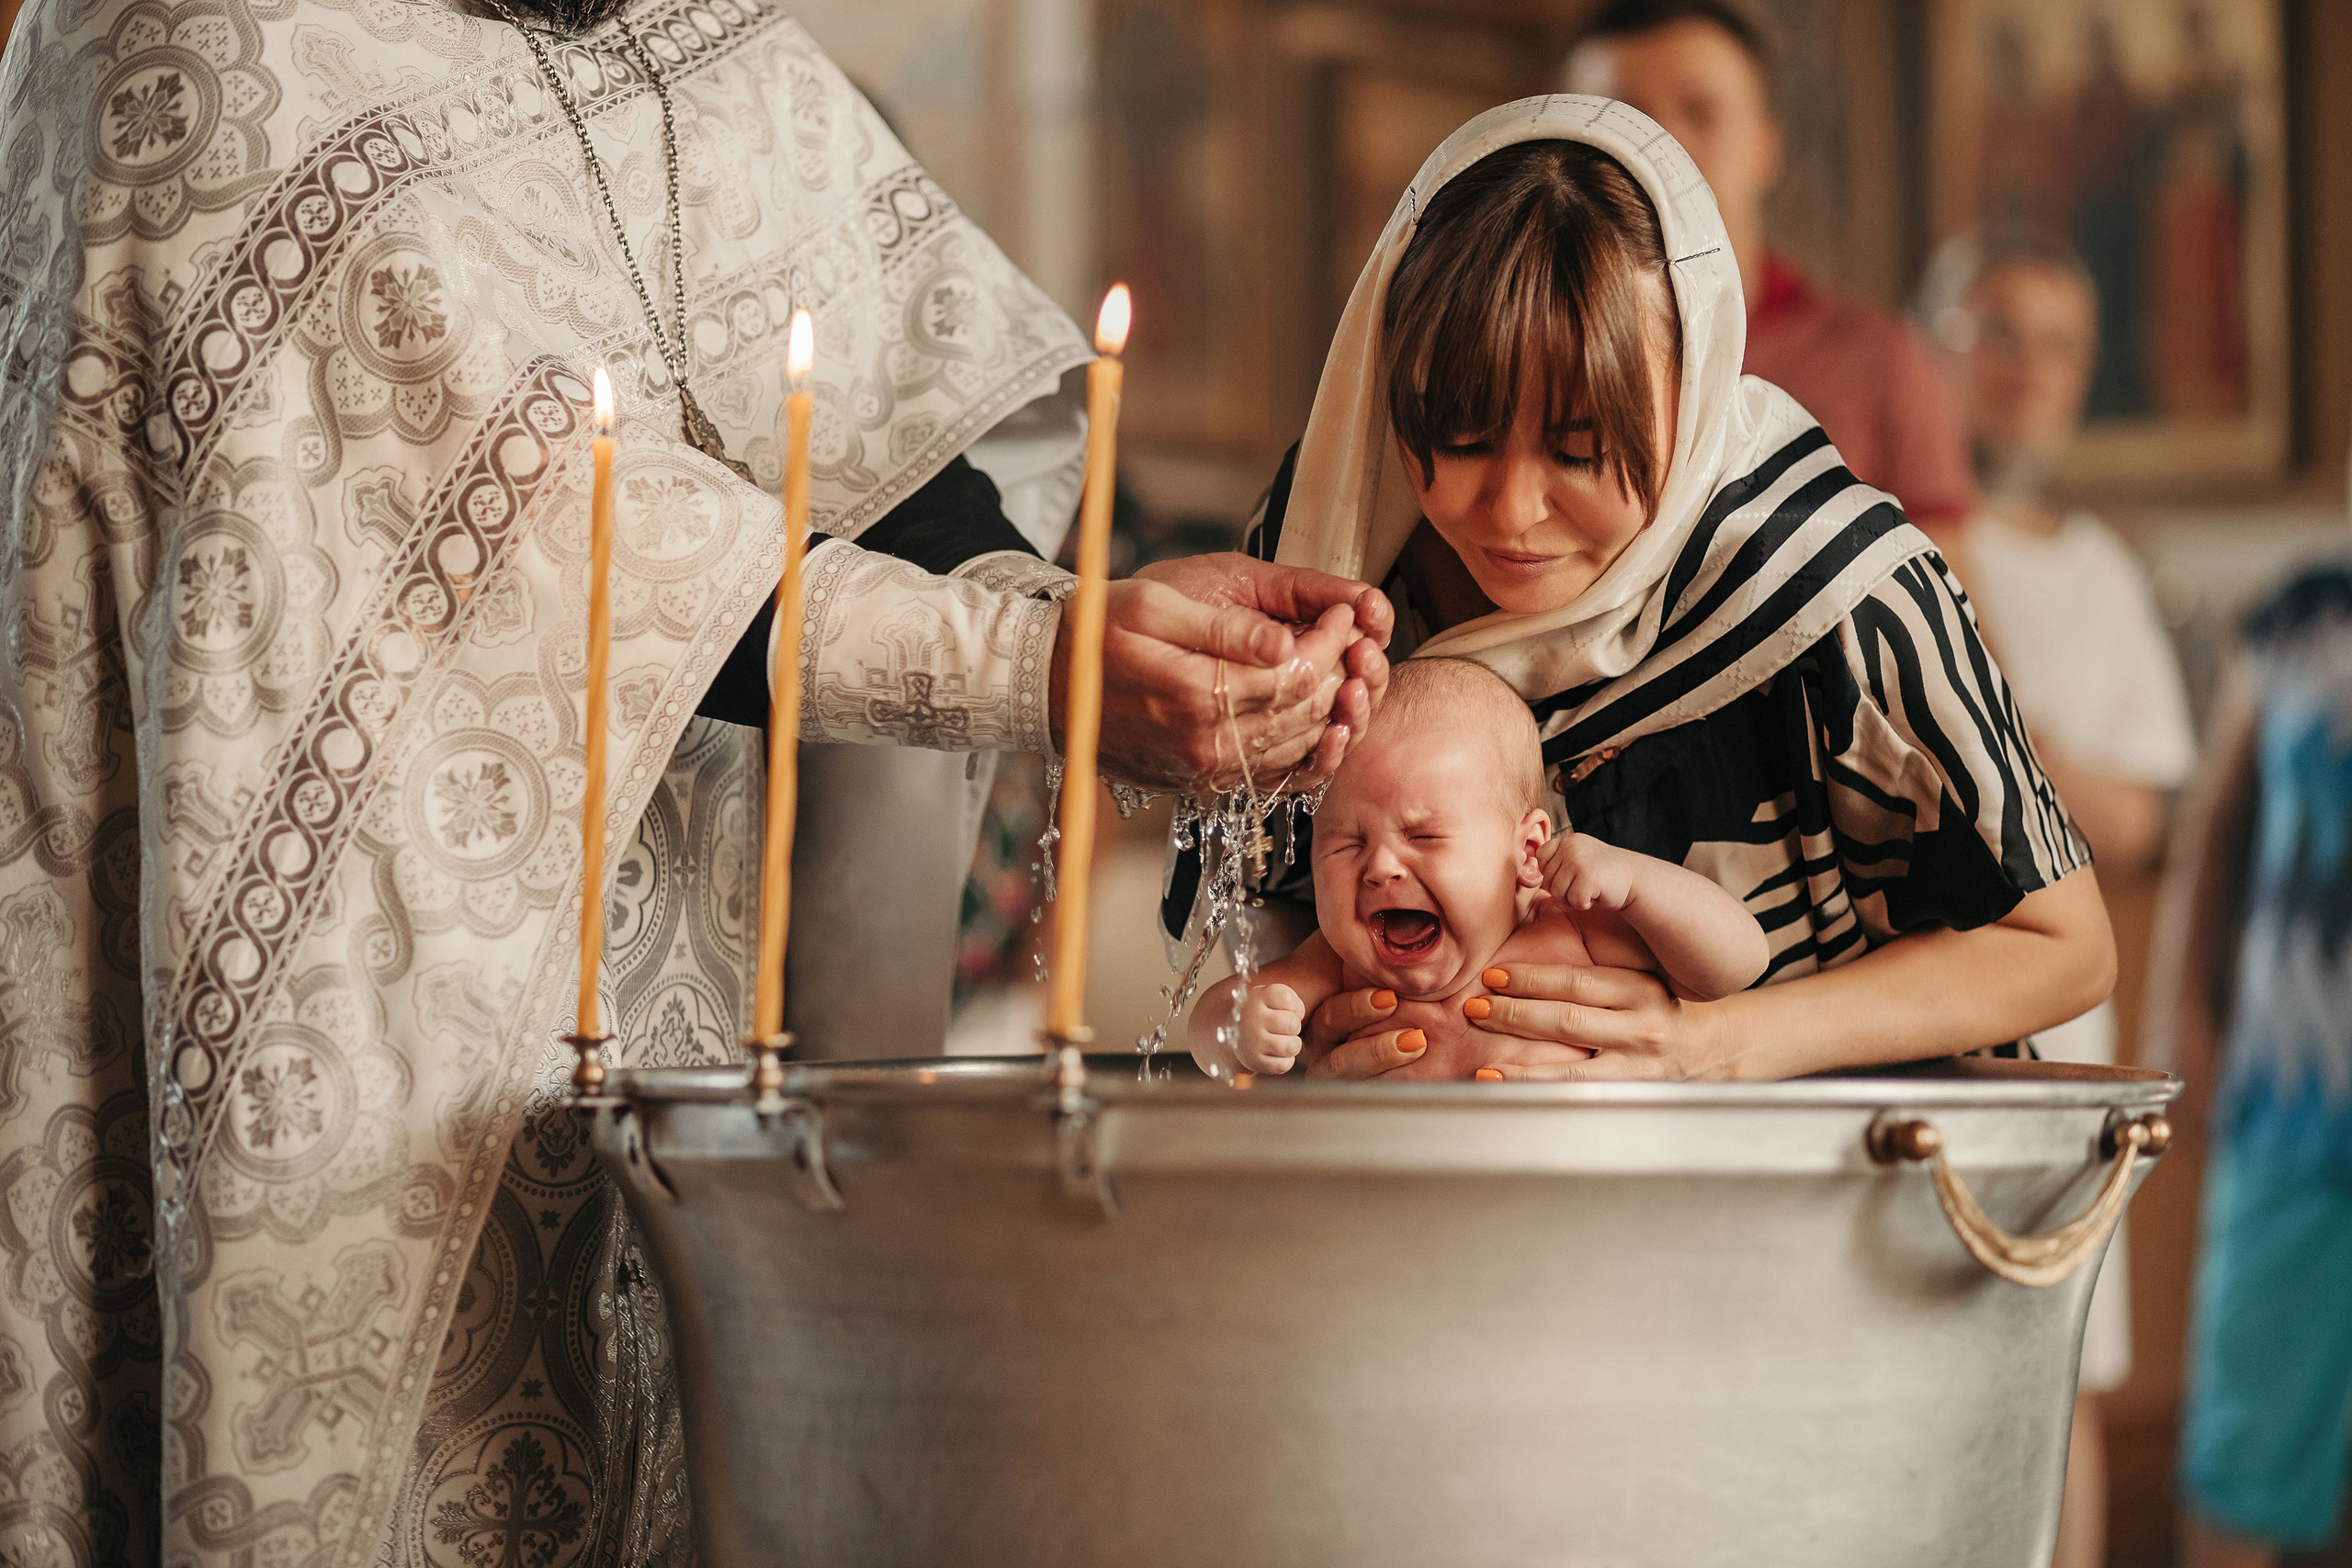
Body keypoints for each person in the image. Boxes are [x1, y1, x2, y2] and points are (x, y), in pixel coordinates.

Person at [0, 0, 1391, 1561]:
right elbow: (513, 528)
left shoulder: (718, 54)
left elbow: (889, 476)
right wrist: (1034, 672)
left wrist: (1092, 630)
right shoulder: (199, 44)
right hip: (360, 1050)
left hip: (711, 1047)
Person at [1189, 96, 2114, 1085]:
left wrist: (1708, 1047)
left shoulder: (1833, 590)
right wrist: (1295, 1018)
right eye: (1458, 442)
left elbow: (2059, 947)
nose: (1508, 511)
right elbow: (1265, 900)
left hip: (1839, 1187)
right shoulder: (1323, 561)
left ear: (1695, 373)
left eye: (1578, 451)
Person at [1924, 231, 2200, 1568]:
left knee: (2064, 1373)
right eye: (1999, 334)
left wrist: (1999, 726)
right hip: (1901, 1026)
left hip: (2062, 1042)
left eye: (2061, 343)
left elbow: (2146, 819)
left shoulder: (2101, 573)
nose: (2030, 370)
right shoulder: (1888, 537)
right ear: (1941, 350)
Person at [1189, 659, 1765, 1079]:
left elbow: (1733, 967)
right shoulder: (1337, 964)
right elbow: (1208, 1031)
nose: (1381, 866)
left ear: (1527, 850)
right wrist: (1239, 1027)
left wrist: (1638, 884)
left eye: (1425, 836)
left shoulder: (1571, 929)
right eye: (1345, 844)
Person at [1562, 0, 1976, 535]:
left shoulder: (1884, 365)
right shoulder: (1505, 352)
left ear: (1766, 147)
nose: (1658, 149)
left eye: (1700, 112)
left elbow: (1944, 604)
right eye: (1623, 117)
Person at [2150, 560, 2352, 1568]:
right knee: (2242, 1449)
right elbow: (2212, 834)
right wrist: (2181, 1018)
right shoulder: (2299, 623)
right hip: (2292, 1096)